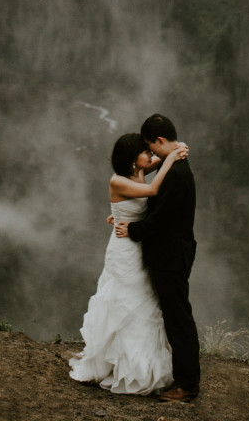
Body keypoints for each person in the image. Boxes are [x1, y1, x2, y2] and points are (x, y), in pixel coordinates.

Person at [68, 131, 189, 395]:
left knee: (144, 301)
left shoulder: (140, 169)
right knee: (124, 300)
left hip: (140, 245)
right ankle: (118, 365)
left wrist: (177, 147)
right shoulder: (118, 181)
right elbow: (153, 190)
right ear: (134, 159)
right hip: (124, 249)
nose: (151, 155)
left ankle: (140, 364)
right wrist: (173, 158)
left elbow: (163, 156)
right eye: (145, 153)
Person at [116, 113, 200, 403]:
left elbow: (160, 220)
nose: (150, 154)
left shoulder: (176, 173)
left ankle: (187, 384)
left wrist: (131, 228)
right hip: (175, 253)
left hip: (171, 257)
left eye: (151, 147)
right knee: (177, 317)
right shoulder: (175, 163)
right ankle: (184, 379)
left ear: (161, 141)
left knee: (178, 320)